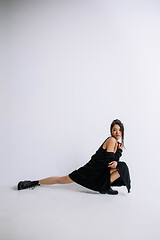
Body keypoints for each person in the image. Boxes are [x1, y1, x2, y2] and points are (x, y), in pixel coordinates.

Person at [17, 119, 131, 195]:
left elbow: (112, 163)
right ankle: (34, 182)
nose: (117, 132)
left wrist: (119, 151)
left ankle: (105, 186)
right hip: (90, 171)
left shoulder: (116, 144)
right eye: (114, 129)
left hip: (100, 173)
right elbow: (110, 161)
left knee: (122, 167)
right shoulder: (111, 140)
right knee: (62, 180)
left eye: (119, 130)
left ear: (122, 132)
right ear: (111, 131)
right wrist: (119, 154)